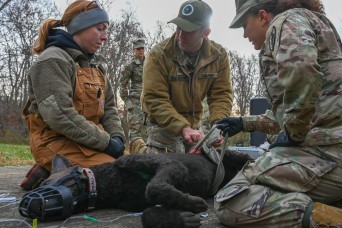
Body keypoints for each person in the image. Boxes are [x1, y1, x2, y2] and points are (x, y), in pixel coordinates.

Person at [214, 0, 342, 227]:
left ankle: (326, 218)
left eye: (245, 25)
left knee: (230, 199)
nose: (244, 34)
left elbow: (302, 75)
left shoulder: (284, 22)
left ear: (263, 16)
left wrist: (293, 132)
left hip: (325, 154)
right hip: (331, 149)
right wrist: (244, 123)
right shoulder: (315, 22)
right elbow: (304, 105)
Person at [20, 0, 126, 190]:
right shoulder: (52, 60)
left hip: (91, 144)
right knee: (117, 179)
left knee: (137, 167)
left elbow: (109, 109)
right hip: (55, 143)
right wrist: (106, 143)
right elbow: (59, 115)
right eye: (100, 29)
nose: (105, 37)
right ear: (80, 27)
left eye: (106, 30)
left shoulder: (96, 67)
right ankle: (55, 172)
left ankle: (52, 172)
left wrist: (117, 138)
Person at [141, 0, 233, 154]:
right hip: (163, 131)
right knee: (163, 172)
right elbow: (155, 99)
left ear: (205, 32)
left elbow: (221, 95)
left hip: (195, 132)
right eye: (179, 27)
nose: (180, 34)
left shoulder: (218, 56)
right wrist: (183, 127)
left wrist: (219, 125)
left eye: (189, 30)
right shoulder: (159, 55)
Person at [120, 38, 148, 154]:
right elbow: (123, 85)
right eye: (138, 49)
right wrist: (128, 103)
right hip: (135, 102)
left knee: (151, 131)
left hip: (149, 101)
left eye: (142, 48)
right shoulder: (130, 65)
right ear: (133, 50)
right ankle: (133, 157)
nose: (141, 51)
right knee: (135, 131)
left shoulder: (150, 62)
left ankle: (149, 156)